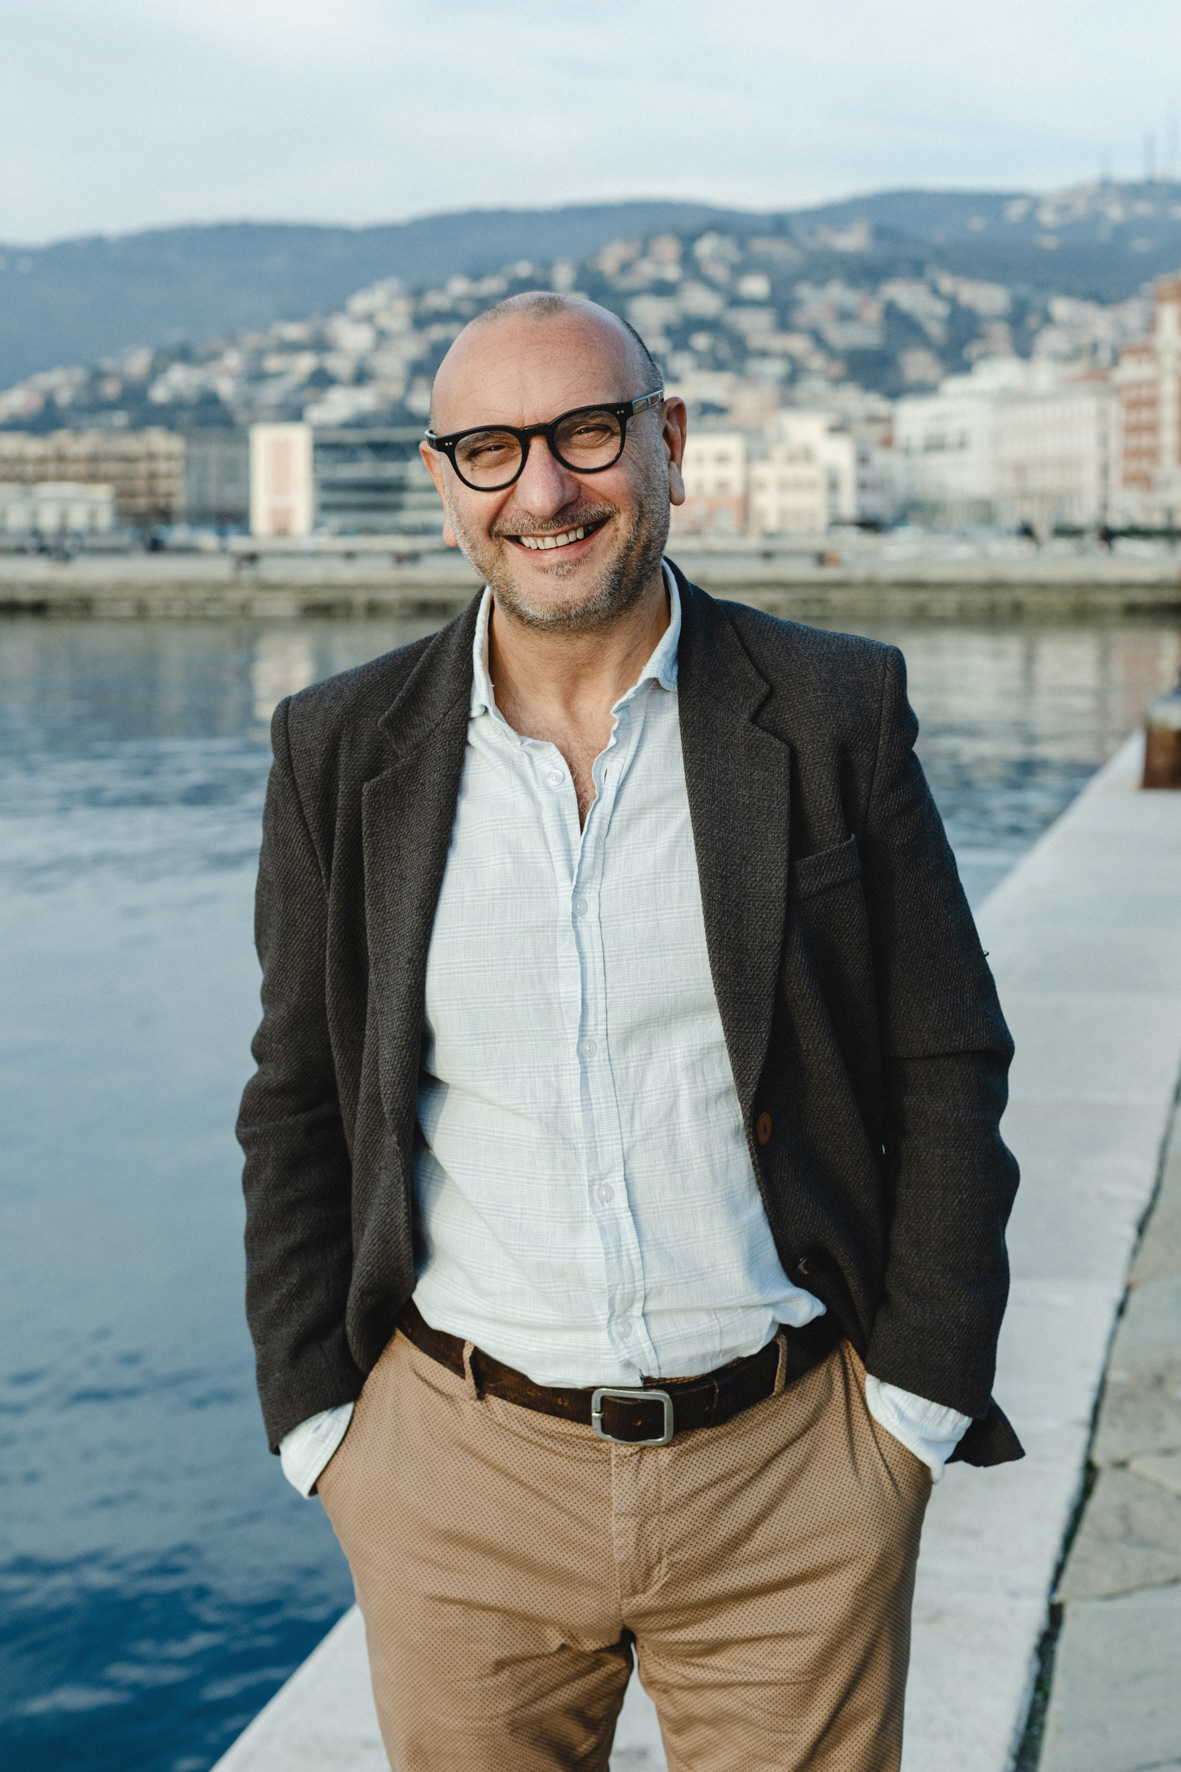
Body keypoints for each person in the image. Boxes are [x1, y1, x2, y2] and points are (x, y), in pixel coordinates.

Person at [238, 292, 1021, 1772]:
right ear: (442, 482)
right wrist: (321, 1428)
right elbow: (296, 1098)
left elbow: (945, 1060)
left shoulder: (835, 709)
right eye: (490, 450)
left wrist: (915, 1406)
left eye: (586, 433)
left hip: (790, 1475)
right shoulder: (339, 748)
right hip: (456, 1481)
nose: (543, 490)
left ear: (668, 442)